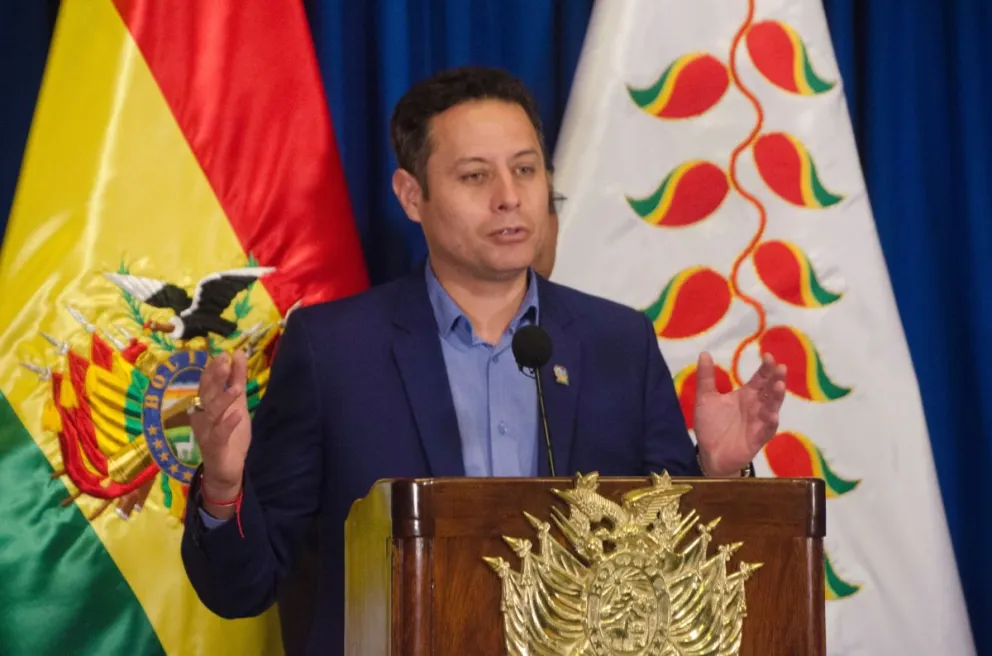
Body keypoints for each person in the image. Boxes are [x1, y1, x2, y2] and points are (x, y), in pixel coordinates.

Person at [180, 66, 786, 654]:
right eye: (475, 176)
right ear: (411, 196)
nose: (509, 198)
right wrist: (225, 487)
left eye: (525, 169)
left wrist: (719, 475)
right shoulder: (333, 350)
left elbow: (680, 574)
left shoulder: (618, 343)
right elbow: (244, 587)